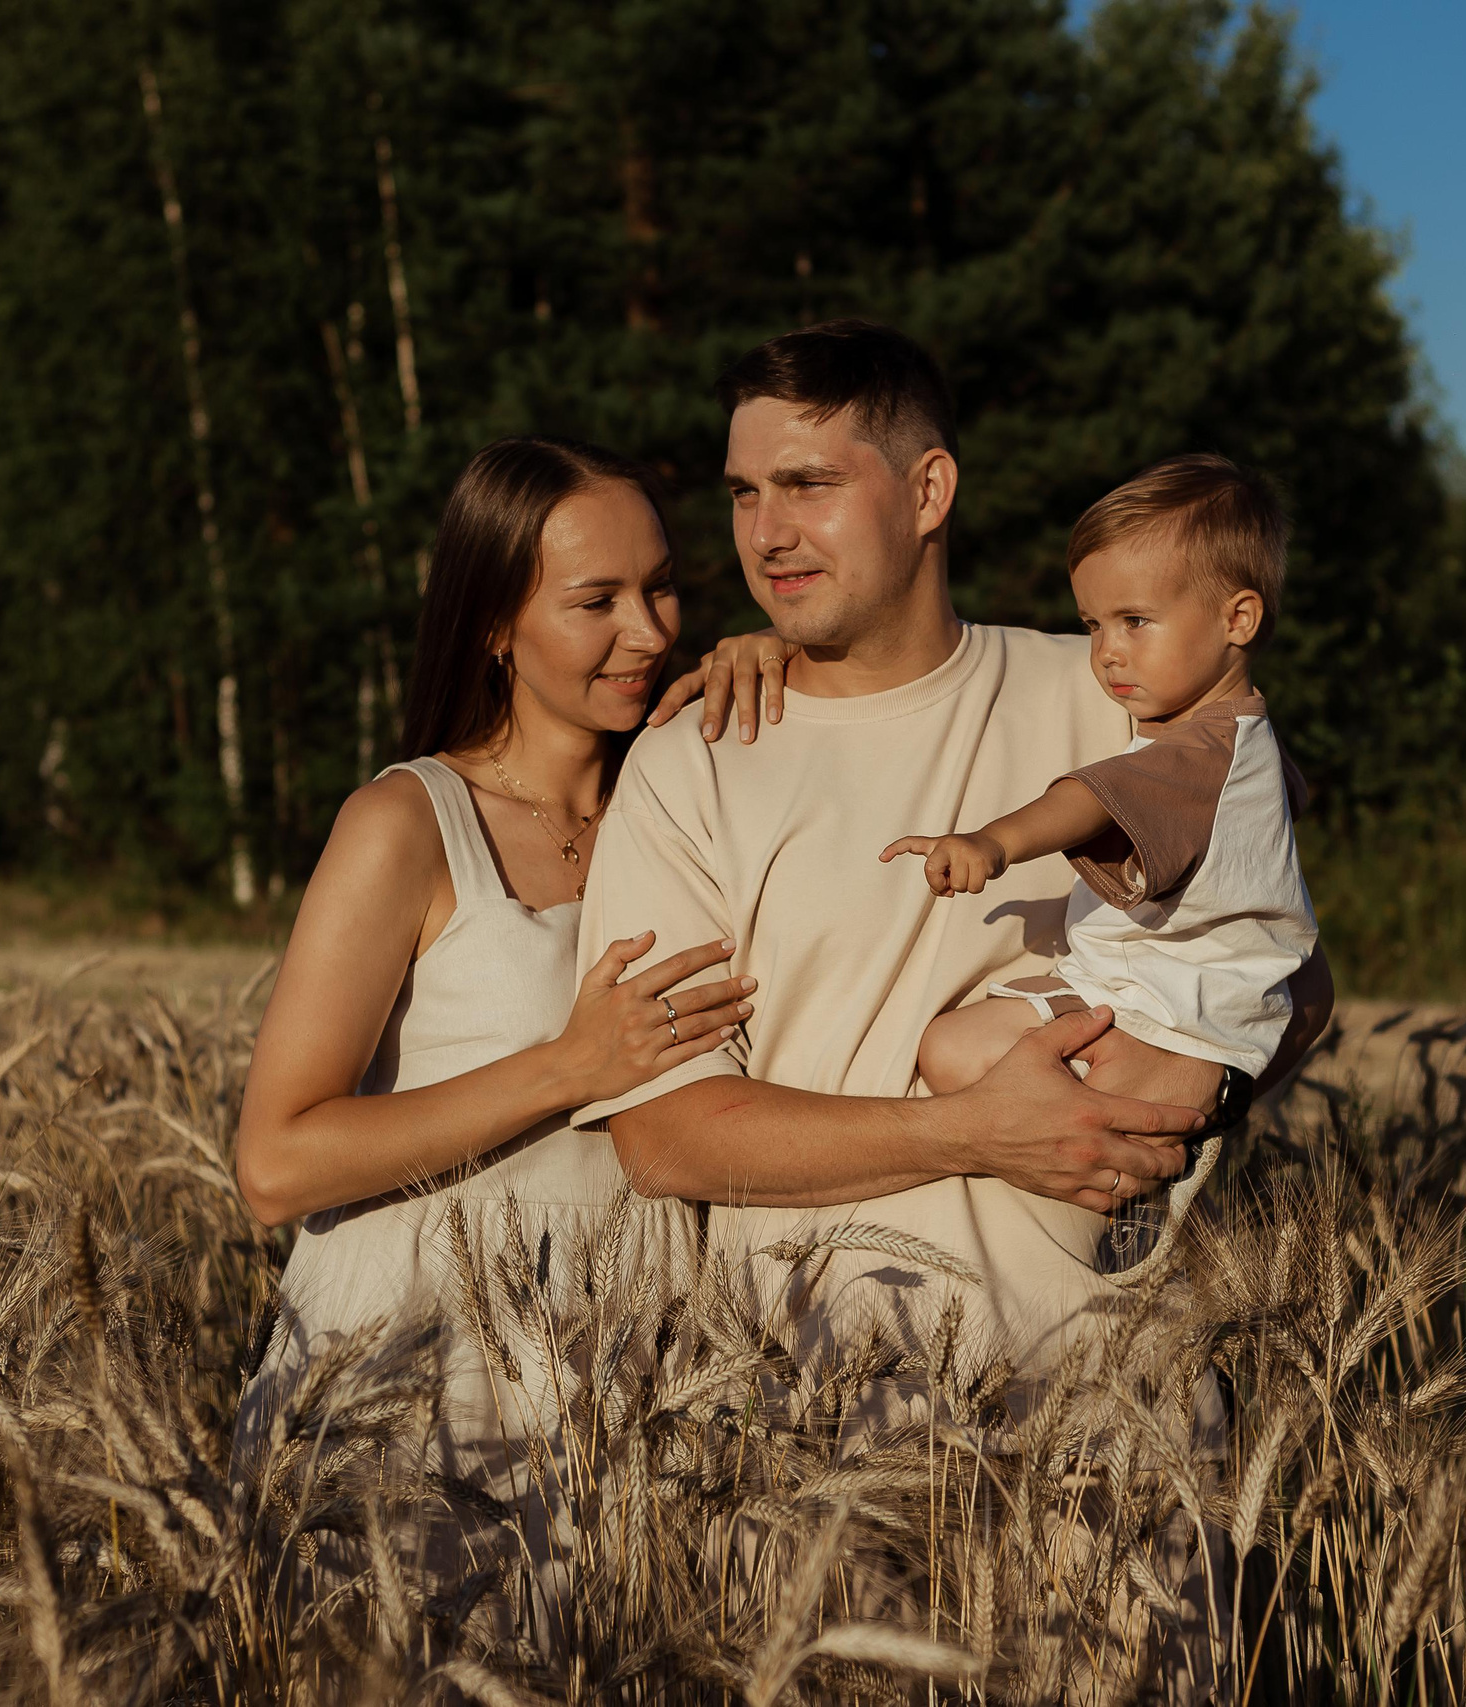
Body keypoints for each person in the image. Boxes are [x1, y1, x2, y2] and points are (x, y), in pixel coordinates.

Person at [574, 321, 1336, 1363]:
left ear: (929, 492)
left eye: (808, 484)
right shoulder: (694, 756)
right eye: (743, 493)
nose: (766, 532)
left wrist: (1173, 1103)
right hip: (812, 1430)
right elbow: (665, 1138)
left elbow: (1289, 974)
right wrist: (971, 1130)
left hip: (1109, 1419)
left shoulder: (1118, 695)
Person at [231, 436, 768, 1467]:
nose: (649, 631)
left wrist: (786, 669)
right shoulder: (407, 823)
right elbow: (274, 1165)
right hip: (408, 1380)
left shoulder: (695, 809)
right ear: (492, 625)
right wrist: (570, 1069)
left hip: (631, 1379)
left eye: (661, 589)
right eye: (594, 601)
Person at [884, 454, 1320, 1281]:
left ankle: (1133, 1170)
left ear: (1239, 617)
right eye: (1092, 626)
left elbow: (1087, 799)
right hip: (1171, 997)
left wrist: (992, 842)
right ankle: (1135, 1179)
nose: (1108, 654)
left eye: (1135, 621)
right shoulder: (1251, 736)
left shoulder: (1197, 751)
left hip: (1158, 1010)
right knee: (955, 1054)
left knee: (953, 1055)